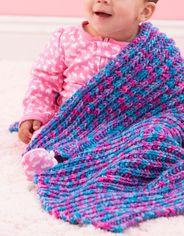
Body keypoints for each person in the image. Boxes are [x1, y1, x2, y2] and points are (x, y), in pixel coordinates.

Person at [18, 0, 158, 181]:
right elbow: (44, 80)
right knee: (44, 137)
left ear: (144, 11)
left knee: (146, 142)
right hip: (69, 122)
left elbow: (162, 96)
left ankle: (110, 166)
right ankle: (54, 160)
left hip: (119, 126)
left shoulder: (149, 48)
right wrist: (35, 113)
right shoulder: (65, 39)